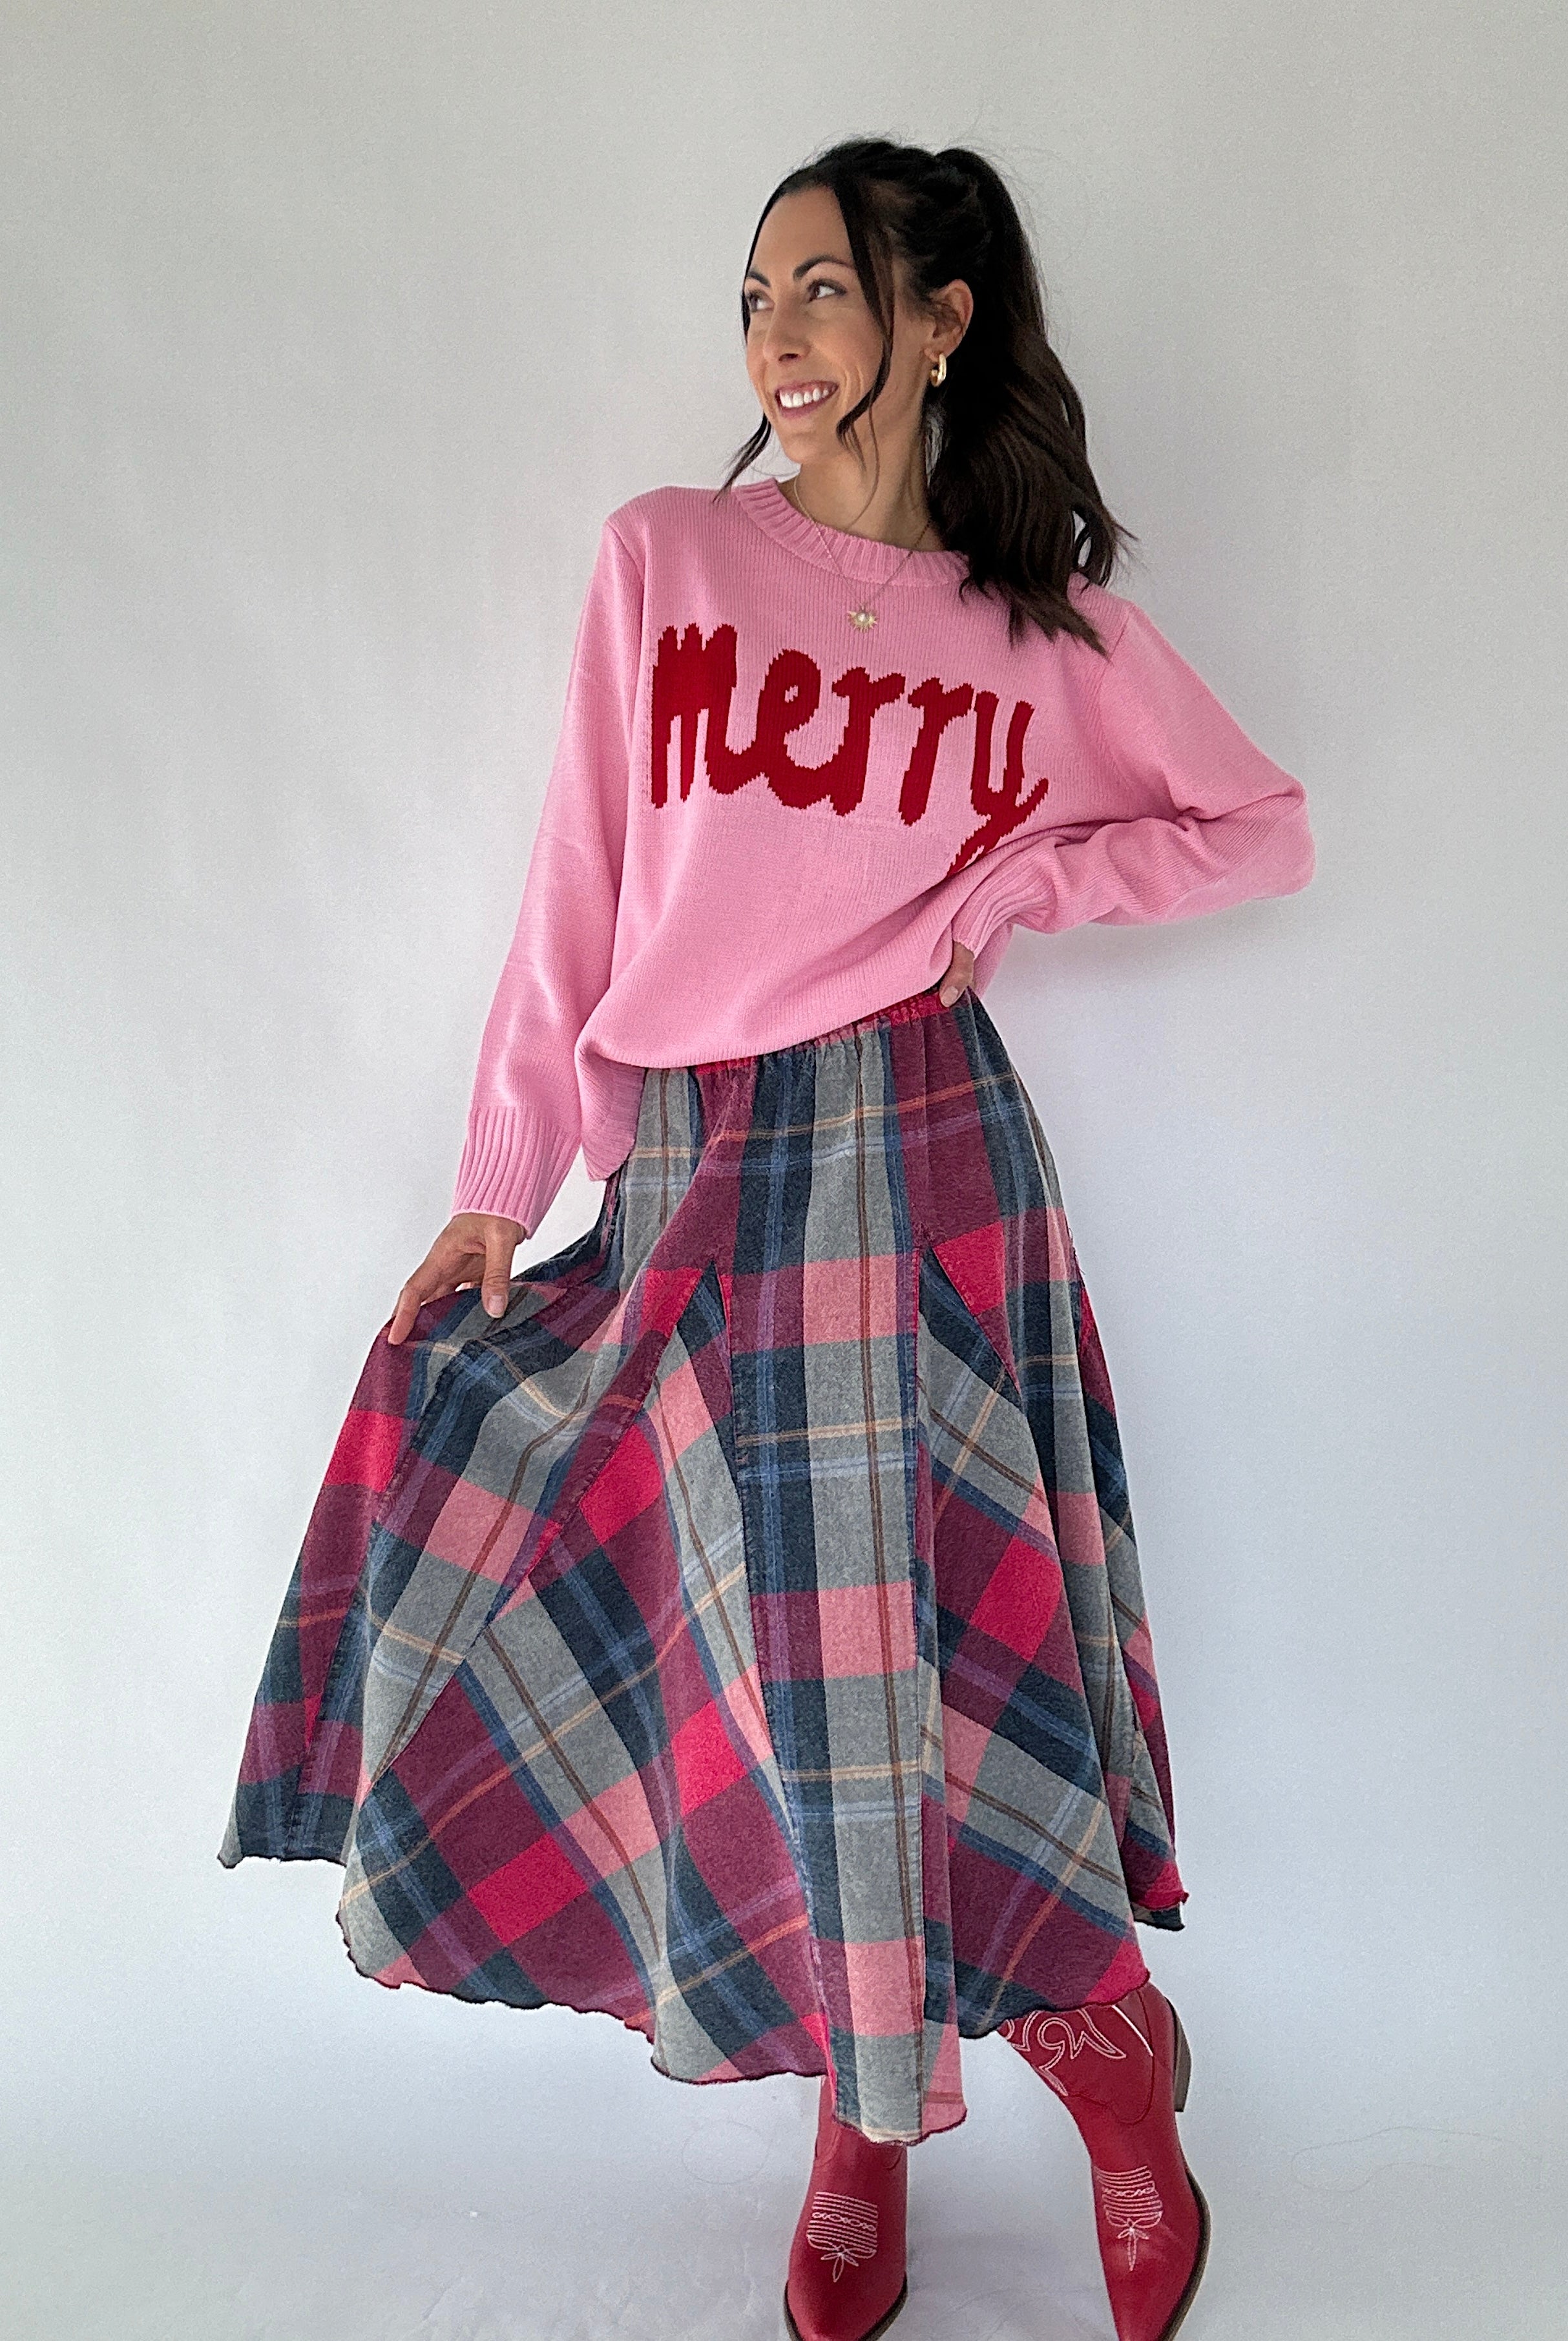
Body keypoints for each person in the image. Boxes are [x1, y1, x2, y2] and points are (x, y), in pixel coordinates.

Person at [221, 136, 1313, 2341]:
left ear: (941, 319)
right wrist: (500, 1182)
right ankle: (898, 2096)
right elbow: (579, 887)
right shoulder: (670, 559)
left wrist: (1030, 880)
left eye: (823, 290)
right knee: (739, 1671)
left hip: (923, 1157)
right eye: (754, 300)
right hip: (694, 1165)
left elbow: (1254, 828)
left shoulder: (1034, 627)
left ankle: (1058, 2080)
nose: (778, 341)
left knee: (919, 1654)